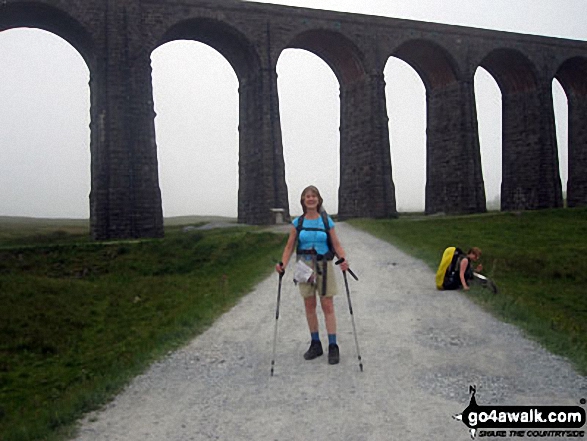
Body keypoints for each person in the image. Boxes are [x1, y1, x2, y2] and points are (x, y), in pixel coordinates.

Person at [275, 185, 349, 365]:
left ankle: (333, 346)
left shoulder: (326, 221)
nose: (311, 199)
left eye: (314, 196)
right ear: (303, 200)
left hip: (324, 263)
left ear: (318, 199)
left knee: (327, 305)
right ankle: (315, 343)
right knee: (309, 305)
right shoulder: (297, 223)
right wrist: (282, 264)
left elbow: (336, 244)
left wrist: (343, 259)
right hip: (304, 265)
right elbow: (289, 246)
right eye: (307, 196)